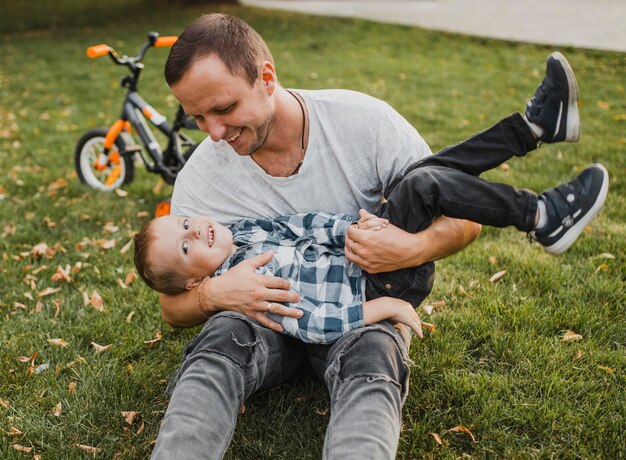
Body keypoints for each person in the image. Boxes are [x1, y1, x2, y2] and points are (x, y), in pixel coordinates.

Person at [150, 13, 589, 459]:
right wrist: (217, 294)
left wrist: (411, 246)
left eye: (223, 109)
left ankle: (536, 150)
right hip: (260, 322)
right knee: (218, 343)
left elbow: (460, 215)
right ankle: (536, 155)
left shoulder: (363, 121)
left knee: (421, 189)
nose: (215, 133)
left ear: (266, 77)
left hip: (362, 301)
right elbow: (173, 303)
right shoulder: (201, 178)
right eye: (198, 118)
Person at [134, 160, 607, 343]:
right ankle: (541, 214)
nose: (197, 230)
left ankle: (528, 135)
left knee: (425, 176)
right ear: (196, 281)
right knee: (424, 183)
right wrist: (381, 305)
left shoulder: (246, 231)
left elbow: (307, 225)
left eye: (186, 222)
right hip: (379, 283)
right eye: (186, 245)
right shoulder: (245, 285)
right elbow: (313, 323)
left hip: (373, 252)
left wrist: (358, 229)